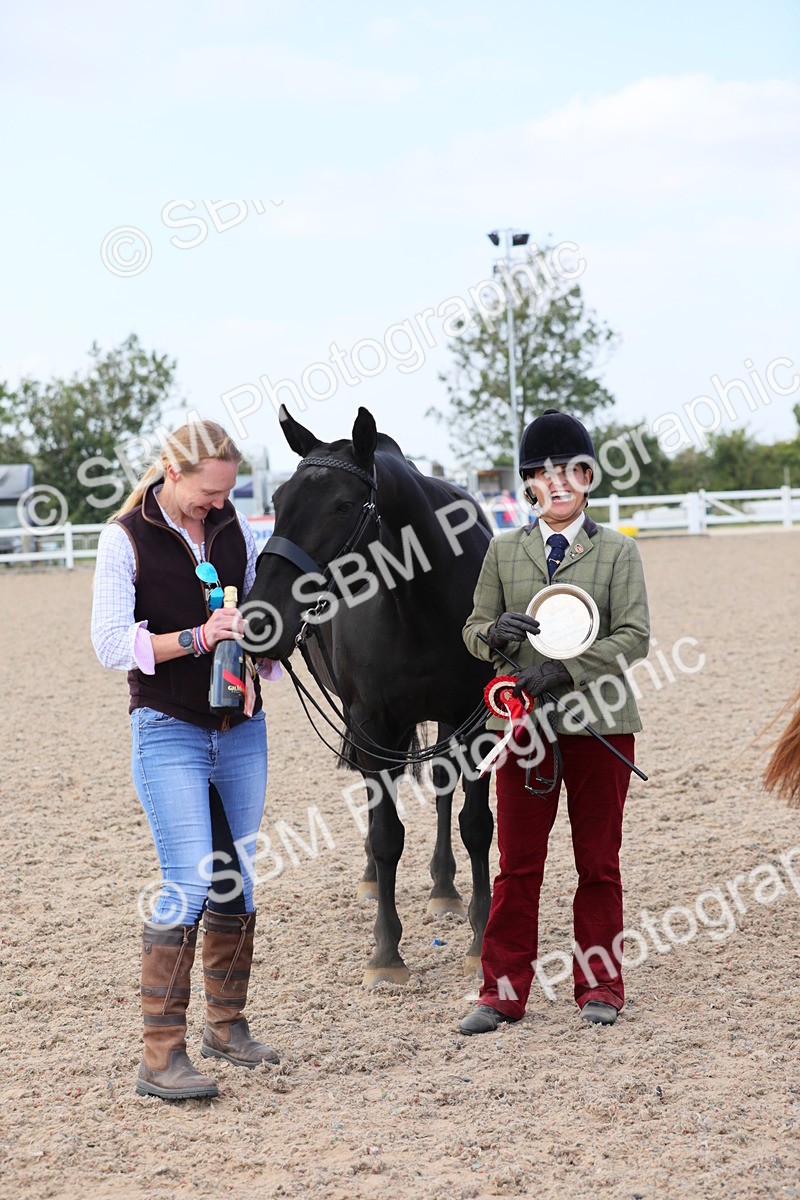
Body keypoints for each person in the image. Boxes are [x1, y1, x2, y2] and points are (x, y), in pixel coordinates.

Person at [91, 419, 279, 1100]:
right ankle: (160, 1057)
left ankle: (226, 1029)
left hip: (241, 730)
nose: (219, 505)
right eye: (208, 492)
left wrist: (265, 649)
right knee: (190, 881)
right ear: (173, 474)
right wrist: (198, 637)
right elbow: (112, 645)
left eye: (227, 493)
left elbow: (260, 620)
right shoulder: (125, 540)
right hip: (166, 727)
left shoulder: (235, 531)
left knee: (238, 879)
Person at [460, 408, 650, 1033]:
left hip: (600, 724)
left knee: (598, 861)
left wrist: (567, 672)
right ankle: (501, 991)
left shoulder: (618, 551)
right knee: (517, 863)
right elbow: (471, 629)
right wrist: (495, 633)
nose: (559, 481)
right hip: (523, 726)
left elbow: (635, 636)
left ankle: (600, 985)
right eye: (543, 472)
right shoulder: (502, 550)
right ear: (529, 485)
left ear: (589, 478)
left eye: (572, 469)